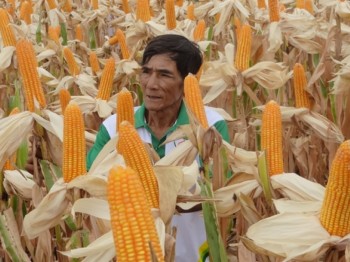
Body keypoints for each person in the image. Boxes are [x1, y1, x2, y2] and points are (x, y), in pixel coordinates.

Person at [86, 34, 230, 262]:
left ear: (186, 82)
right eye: (146, 72)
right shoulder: (113, 128)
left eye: (164, 75)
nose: (151, 84)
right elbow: (92, 184)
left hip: (194, 253)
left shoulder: (210, 127)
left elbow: (221, 191)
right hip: (132, 252)